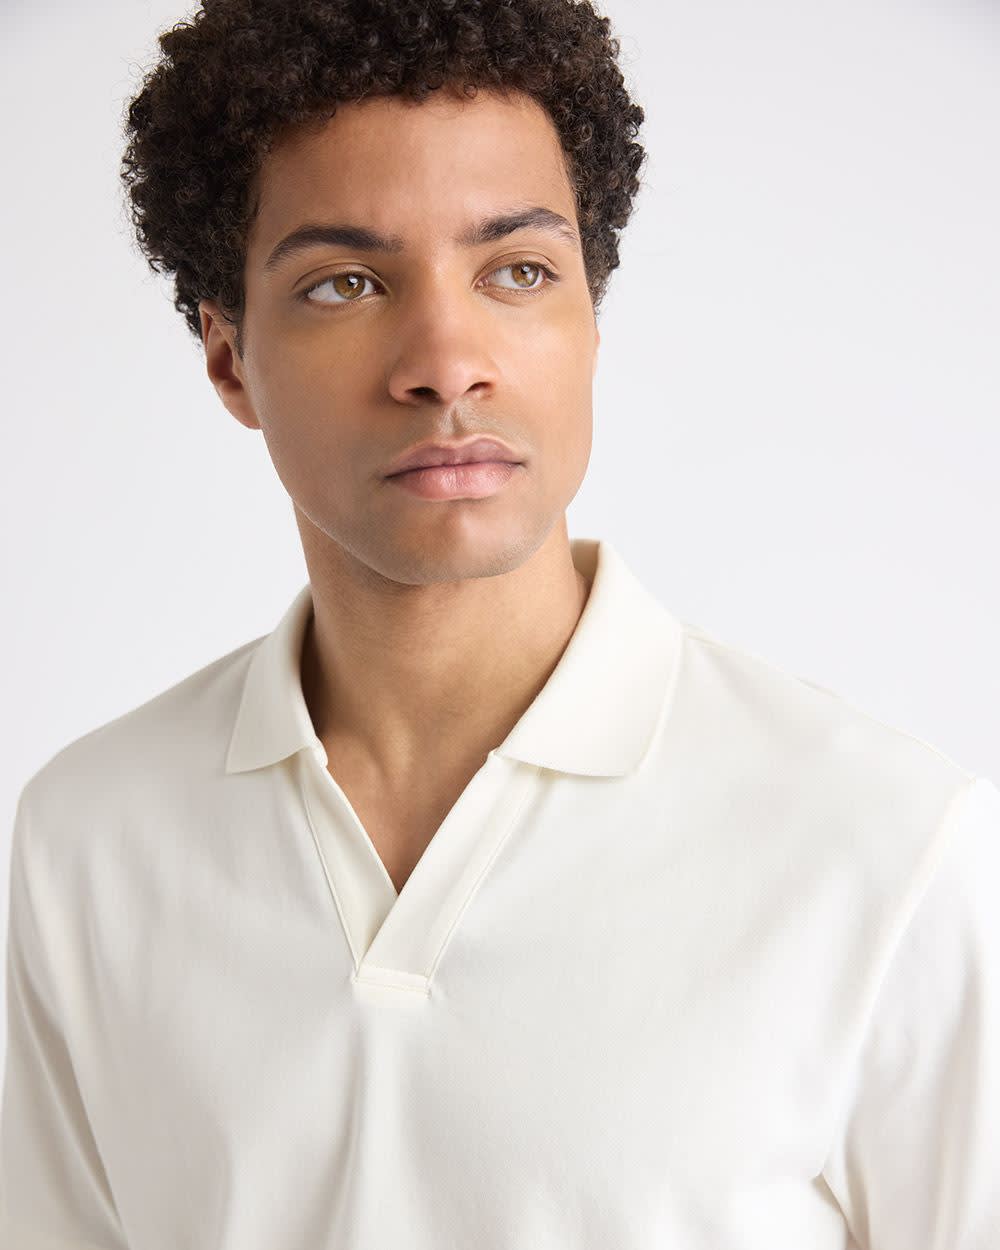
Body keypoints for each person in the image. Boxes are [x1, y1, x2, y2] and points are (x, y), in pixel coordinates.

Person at [2, 1, 997, 1246]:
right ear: (229, 359)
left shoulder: (881, 843)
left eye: (517, 270)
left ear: (591, 320)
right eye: (345, 282)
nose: (446, 360)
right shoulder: (90, 837)